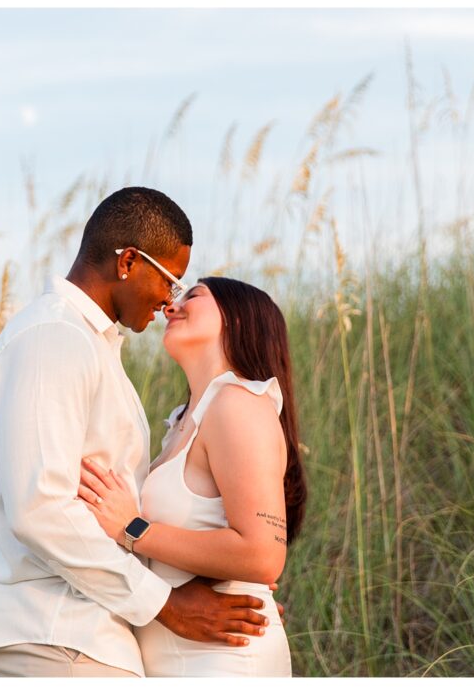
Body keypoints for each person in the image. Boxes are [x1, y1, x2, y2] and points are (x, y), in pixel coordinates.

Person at [0, 188, 273, 678]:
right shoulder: (54, 339)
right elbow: (40, 509)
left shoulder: (90, 346)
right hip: (56, 631)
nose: (169, 300)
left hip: (85, 634)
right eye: (171, 280)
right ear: (128, 262)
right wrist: (165, 603)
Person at [78, 276, 307, 676]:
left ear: (237, 320)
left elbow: (262, 556)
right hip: (176, 652)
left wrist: (132, 527)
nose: (170, 306)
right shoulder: (184, 422)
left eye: (193, 296)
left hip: (223, 658)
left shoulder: (237, 404)